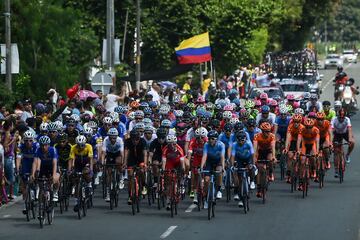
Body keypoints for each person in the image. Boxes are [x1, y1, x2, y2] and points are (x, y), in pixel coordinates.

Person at [200, 130, 225, 208]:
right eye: (209, 138)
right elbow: (204, 156)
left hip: (218, 162)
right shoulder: (206, 145)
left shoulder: (221, 145)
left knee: (219, 171)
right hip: (209, 162)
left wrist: (223, 167)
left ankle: (219, 189)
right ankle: (206, 199)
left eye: (212, 138)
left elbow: (222, 157)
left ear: (216, 139)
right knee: (207, 180)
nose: (210, 140)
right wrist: (201, 167)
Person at [68, 135, 93, 212]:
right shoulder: (73, 147)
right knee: (77, 183)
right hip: (78, 164)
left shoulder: (89, 146)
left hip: (86, 163)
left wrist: (91, 169)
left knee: (87, 174)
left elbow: (90, 160)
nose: (80, 147)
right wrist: (70, 169)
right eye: (79, 145)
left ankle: (89, 185)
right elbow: (71, 159)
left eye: (82, 145)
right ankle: (76, 202)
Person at [31, 136, 60, 202]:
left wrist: (54, 175)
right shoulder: (38, 150)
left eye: (46, 145)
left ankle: (55, 193)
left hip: (51, 166)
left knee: (56, 179)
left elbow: (54, 163)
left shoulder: (53, 150)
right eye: (42, 145)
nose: (44, 147)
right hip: (43, 167)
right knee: (38, 180)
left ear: (49, 145)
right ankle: (41, 195)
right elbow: (35, 162)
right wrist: (32, 174)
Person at [16, 130, 38, 214]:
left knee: (35, 177)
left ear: (33, 140)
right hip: (25, 164)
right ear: (23, 140)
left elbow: (37, 160)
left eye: (30, 140)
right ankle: (25, 205)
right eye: (26, 140)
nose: (28, 142)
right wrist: (17, 169)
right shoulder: (20, 146)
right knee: (24, 186)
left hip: (34, 163)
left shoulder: (37, 146)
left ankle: (35, 192)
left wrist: (35, 172)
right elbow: (18, 158)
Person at [230, 131, 255, 207]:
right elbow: (233, 156)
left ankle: (252, 181)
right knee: (240, 179)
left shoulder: (248, 143)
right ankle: (241, 198)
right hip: (239, 160)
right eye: (239, 140)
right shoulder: (234, 145)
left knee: (251, 168)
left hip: (248, 159)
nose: (240, 142)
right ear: (237, 140)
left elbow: (252, 154)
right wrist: (232, 165)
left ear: (245, 139)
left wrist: (253, 164)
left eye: (242, 140)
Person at [162, 134, 185, 210]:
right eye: (169, 144)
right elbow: (164, 160)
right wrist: (163, 169)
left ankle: (181, 183)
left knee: (181, 171)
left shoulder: (179, 149)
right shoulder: (165, 149)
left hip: (178, 163)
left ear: (176, 143)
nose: (172, 145)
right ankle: (168, 201)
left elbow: (182, 161)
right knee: (168, 181)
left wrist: (182, 170)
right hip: (170, 163)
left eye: (173, 143)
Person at [124, 130, 147, 204]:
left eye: (137, 139)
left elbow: (145, 154)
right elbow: (126, 152)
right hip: (132, 158)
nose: (135, 141)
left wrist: (145, 164)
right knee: (130, 175)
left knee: (141, 171)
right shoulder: (127, 141)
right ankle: (130, 196)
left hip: (140, 158)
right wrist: (124, 163)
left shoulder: (143, 141)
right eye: (133, 139)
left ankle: (143, 186)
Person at [253, 122, 276, 197]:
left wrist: (274, 156)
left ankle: (270, 173)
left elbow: (273, 147)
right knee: (260, 169)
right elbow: (255, 148)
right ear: (262, 131)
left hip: (268, 151)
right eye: (266, 131)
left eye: (269, 131)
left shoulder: (272, 136)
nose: (268, 133)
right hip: (260, 151)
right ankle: (259, 189)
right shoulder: (257, 136)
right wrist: (255, 157)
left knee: (270, 159)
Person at [102, 128, 124, 201]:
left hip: (117, 153)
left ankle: (121, 177)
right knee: (109, 173)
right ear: (108, 136)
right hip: (110, 154)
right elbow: (104, 153)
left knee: (119, 162)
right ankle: (108, 192)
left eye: (114, 137)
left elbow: (122, 153)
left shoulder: (120, 140)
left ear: (116, 136)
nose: (112, 139)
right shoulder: (106, 140)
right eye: (111, 137)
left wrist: (123, 163)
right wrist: (103, 162)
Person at [297, 118, 319, 190]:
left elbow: (317, 141)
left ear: (313, 126)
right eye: (307, 127)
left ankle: (313, 169)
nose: (308, 129)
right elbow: (299, 140)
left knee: (313, 157)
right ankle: (300, 182)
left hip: (312, 144)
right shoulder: (302, 130)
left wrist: (317, 152)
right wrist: (298, 150)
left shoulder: (315, 130)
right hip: (304, 144)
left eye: (310, 127)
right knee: (302, 161)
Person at [187, 127, 207, 202]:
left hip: (205, 158)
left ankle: (205, 190)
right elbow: (189, 152)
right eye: (198, 137)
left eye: (202, 137)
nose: (200, 139)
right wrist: (188, 163)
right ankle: (194, 192)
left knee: (205, 176)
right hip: (196, 159)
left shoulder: (207, 141)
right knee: (195, 175)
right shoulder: (193, 141)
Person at [284, 114, 304, 183]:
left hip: (301, 141)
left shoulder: (302, 127)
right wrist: (286, 148)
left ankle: (301, 174)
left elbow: (299, 140)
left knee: (301, 157)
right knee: (290, 155)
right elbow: (288, 138)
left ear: (300, 122)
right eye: (295, 121)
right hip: (292, 141)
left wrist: (298, 150)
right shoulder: (290, 126)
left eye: (298, 122)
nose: (296, 123)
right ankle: (289, 173)